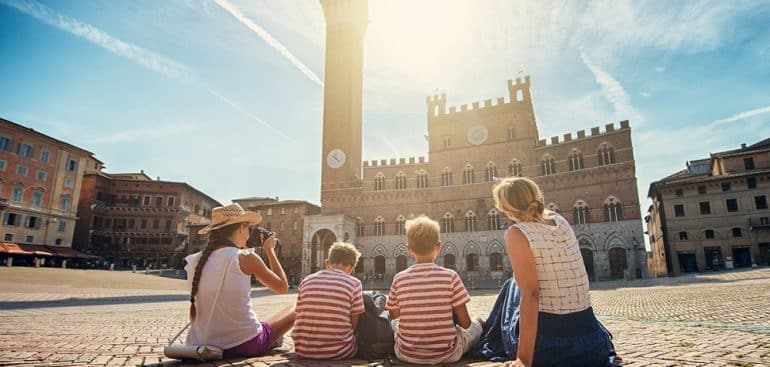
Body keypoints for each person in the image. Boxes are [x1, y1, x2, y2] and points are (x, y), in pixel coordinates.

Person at [473, 177, 616, 367]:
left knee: (513, 284)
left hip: (549, 347)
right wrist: (513, 188)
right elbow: (538, 210)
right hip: (592, 343)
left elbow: (531, 295)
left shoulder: (516, 233)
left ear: (506, 209)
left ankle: (489, 333)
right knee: (520, 282)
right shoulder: (560, 221)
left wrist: (523, 360)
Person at [185, 203, 295, 358]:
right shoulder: (245, 257)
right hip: (243, 344)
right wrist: (269, 251)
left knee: (263, 323)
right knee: (295, 307)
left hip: (200, 345)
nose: (248, 234)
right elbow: (282, 287)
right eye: (248, 228)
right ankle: (273, 341)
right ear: (242, 227)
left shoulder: (193, 261)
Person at [386, 216, 483, 365]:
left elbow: (394, 314)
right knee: (476, 325)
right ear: (438, 247)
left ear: (409, 249)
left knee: (395, 325)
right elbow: (465, 323)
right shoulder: (451, 276)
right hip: (448, 354)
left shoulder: (399, 278)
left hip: (405, 354)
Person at [292, 242, 364, 359]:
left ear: (327, 263)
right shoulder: (354, 283)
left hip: (302, 349)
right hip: (340, 351)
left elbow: (298, 313)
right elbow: (354, 320)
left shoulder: (306, 280)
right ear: (352, 268)